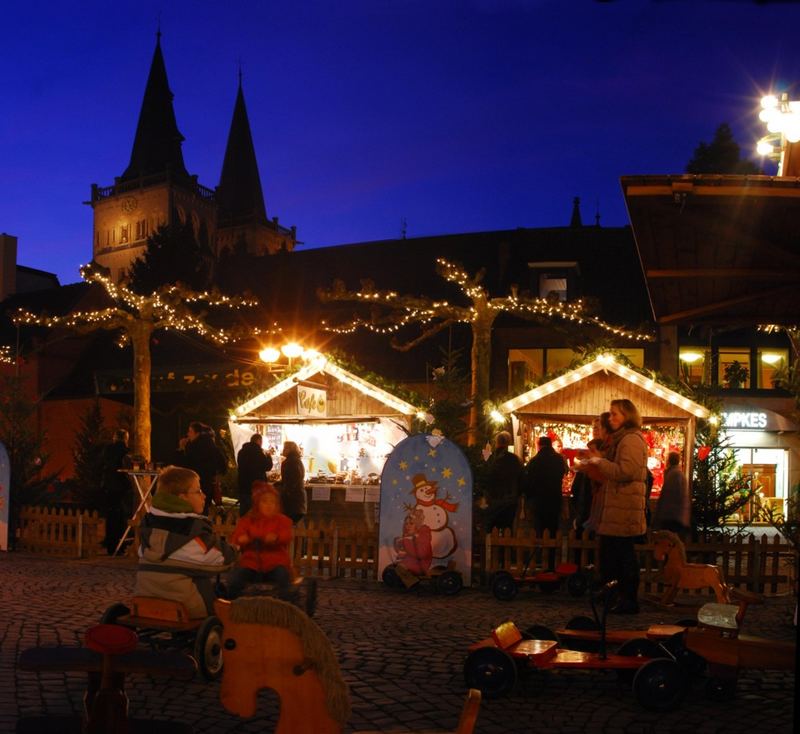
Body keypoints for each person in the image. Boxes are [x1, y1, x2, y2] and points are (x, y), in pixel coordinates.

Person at [135, 465, 237, 618]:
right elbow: (221, 559)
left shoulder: (148, 527)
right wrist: (236, 551)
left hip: (146, 599)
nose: (203, 496)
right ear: (182, 497)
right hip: (186, 605)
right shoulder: (192, 531)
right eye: (198, 491)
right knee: (221, 591)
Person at [577, 399, 647, 614]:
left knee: (622, 557)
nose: (610, 418)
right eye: (610, 413)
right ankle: (617, 597)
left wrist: (599, 462)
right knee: (613, 556)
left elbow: (626, 471)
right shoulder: (621, 440)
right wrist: (595, 461)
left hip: (623, 509)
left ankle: (627, 600)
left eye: (614, 413)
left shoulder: (631, 440)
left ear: (627, 416)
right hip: (617, 508)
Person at [225, 481, 293, 599]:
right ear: (257, 504)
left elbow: (286, 535)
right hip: (251, 563)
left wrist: (276, 538)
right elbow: (237, 536)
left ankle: (287, 604)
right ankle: (231, 604)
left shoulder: (282, 520)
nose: (269, 505)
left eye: (272, 502)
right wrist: (242, 539)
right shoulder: (247, 520)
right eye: (265, 501)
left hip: (275, 562)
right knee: (236, 579)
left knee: (283, 577)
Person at [522, 435, 567, 567]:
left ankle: (539, 561)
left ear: (539, 445)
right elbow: (564, 473)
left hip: (538, 501)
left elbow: (527, 482)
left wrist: (528, 499)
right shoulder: (559, 459)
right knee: (553, 531)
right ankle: (551, 562)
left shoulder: (534, 461)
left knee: (539, 531)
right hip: (554, 500)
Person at [176, 421, 227, 514]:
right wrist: (217, 473)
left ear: (197, 433)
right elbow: (221, 461)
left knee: (194, 508)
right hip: (207, 482)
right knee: (204, 508)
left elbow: (185, 464)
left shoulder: (194, 446)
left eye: (190, 432)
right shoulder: (210, 444)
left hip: (196, 482)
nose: (188, 434)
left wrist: (182, 448)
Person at [483, 431, 523, 532]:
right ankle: (505, 547)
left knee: (492, 527)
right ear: (508, 443)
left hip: (492, 499)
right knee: (507, 527)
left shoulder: (490, 458)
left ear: (496, 442)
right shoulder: (515, 460)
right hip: (510, 500)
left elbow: (485, 477)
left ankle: (491, 547)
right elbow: (521, 479)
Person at [100, 428, 131, 554]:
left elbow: (103, 464)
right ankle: (120, 545)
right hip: (121, 486)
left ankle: (110, 544)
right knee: (121, 515)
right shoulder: (125, 451)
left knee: (111, 514)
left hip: (109, 485)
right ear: (125, 438)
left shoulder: (108, 450)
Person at [652, 451, 691, 539]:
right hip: (677, 517)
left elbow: (667, 498)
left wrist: (658, 516)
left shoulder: (673, 475)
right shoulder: (678, 474)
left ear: (668, 461)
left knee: (669, 543)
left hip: (672, 518)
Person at [236, 433, 273, 516]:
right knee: (256, 511)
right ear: (259, 441)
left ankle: (243, 527)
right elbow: (267, 466)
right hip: (256, 486)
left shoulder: (241, 452)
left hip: (243, 485)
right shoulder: (258, 453)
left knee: (244, 510)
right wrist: (269, 456)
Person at [278, 441, 306, 524]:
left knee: (289, 524)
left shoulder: (289, 462)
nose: (283, 450)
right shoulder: (297, 461)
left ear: (289, 449)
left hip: (292, 500)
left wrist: (286, 491)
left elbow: (292, 480)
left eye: (284, 448)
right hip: (297, 499)